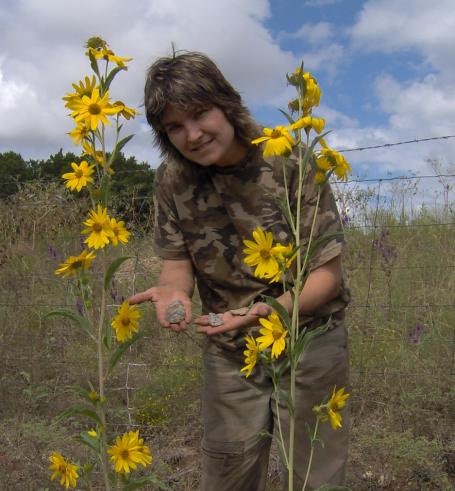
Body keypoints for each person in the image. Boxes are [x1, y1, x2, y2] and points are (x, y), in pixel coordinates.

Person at [128, 51, 350, 491]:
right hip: (229, 347)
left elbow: (327, 277)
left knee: (312, 473)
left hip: (307, 336)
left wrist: (263, 312)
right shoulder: (173, 179)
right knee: (228, 471)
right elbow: (176, 265)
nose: (192, 135)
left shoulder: (289, 159)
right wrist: (174, 293)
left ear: (227, 103)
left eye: (200, 114)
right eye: (174, 127)